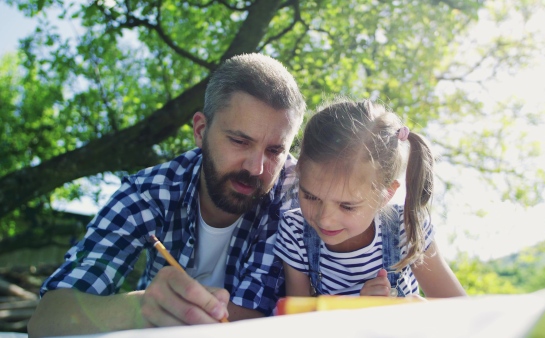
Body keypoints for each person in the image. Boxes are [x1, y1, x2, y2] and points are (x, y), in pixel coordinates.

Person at [28, 53, 306, 336]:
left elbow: (255, 319)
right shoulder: (148, 193)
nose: (256, 168)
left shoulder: (301, 199)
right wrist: (139, 309)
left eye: (275, 151)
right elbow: (46, 319)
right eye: (239, 141)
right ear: (200, 130)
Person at [274, 99, 466, 298]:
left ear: (386, 195)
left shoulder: (405, 228)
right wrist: (355, 307)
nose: (325, 219)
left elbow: (460, 311)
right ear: (299, 171)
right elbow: (297, 320)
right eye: (311, 197)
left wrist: (419, 312)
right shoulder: (295, 232)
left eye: (347, 206)